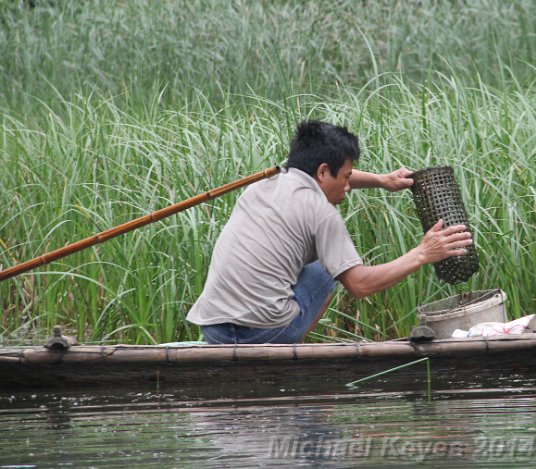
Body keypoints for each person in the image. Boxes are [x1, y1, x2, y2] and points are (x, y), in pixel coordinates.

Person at [186, 120, 472, 344]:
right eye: (346, 177)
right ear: (323, 172)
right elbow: (359, 285)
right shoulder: (322, 213)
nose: (347, 187)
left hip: (214, 329)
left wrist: (382, 181)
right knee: (324, 273)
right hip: (261, 336)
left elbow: (326, 173)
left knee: (308, 265)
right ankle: (287, 351)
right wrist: (422, 253)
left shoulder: (263, 183)